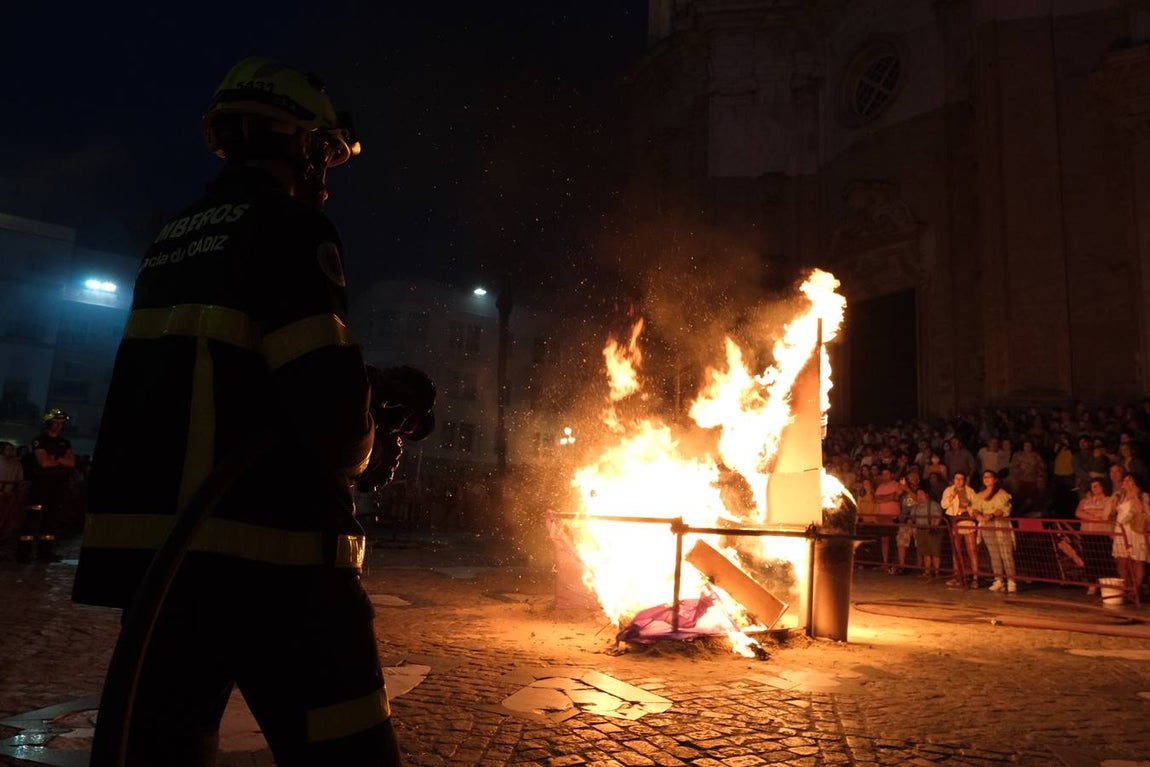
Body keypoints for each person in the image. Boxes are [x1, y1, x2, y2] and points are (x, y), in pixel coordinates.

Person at [72, 56, 434, 766]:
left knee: (164, 752)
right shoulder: (293, 230)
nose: (325, 175)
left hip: (165, 574)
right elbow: (333, 425)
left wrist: (365, 382)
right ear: (299, 144)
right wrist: (373, 437)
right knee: (350, 753)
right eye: (324, 153)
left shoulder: (172, 240)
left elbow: (229, 374)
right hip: (277, 568)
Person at [16, 409, 76, 563]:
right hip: (40, 487)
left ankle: (45, 553)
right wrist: (60, 459)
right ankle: (24, 555)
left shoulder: (65, 442)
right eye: (56, 422)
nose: (59, 425)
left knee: (51, 522)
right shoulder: (40, 440)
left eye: (61, 423)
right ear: (49, 423)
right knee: (32, 521)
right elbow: (44, 462)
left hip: (58, 487)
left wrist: (55, 458)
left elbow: (72, 462)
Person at [972, 469, 1017, 593]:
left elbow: (1003, 508)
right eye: (984, 477)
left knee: (1005, 552)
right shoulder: (980, 494)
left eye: (989, 477)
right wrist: (978, 516)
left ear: (995, 480)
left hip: (1000, 524)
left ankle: (1011, 580)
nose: (986, 479)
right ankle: (998, 580)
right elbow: (975, 508)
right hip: (987, 525)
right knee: (994, 553)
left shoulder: (1001, 493)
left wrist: (991, 515)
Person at [1074, 477, 1116, 595]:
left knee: (1104, 559)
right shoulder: (1085, 501)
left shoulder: (1108, 500)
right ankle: (1092, 584)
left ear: (1102, 487)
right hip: (1088, 534)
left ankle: (1106, 585)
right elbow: (1078, 512)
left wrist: (1092, 514)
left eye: (1096, 485)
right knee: (1090, 559)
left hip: (1103, 534)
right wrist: (1093, 517)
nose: (1094, 488)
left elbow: (1106, 515)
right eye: (1092, 486)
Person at [1112, 473, 1149, 600]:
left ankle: (1135, 590)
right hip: (1120, 531)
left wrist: (1137, 502)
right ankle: (1126, 588)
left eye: (1130, 480)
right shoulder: (1121, 496)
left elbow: (1143, 512)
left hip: (1135, 531)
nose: (1126, 482)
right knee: (1121, 561)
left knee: (1137, 561)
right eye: (1125, 480)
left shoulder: (1143, 496)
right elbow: (1111, 513)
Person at [941, 471, 979, 588]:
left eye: (961, 479)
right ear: (953, 479)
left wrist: (969, 507)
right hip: (955, 521)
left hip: (968, 521)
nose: (959, 481)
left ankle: (975, 578)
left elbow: (976, 506)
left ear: (965, 480)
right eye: (957, 478)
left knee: (971, 550)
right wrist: (953, 495)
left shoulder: (970, 491)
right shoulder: (948, 490)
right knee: (956, 551)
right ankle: (957, 576)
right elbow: (944, 505)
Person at [908, 487, 944, 579]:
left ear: (926, 495)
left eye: (921, 494)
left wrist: (934, 527)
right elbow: (912, 518)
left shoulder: (933, 505)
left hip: (931, 530)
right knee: (925, 552)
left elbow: (938, 517)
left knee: (935, 552)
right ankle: (927, 571)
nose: (919, 496)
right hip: (920, 530)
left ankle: (937, 572)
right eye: (918, 494)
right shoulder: (916, 506)